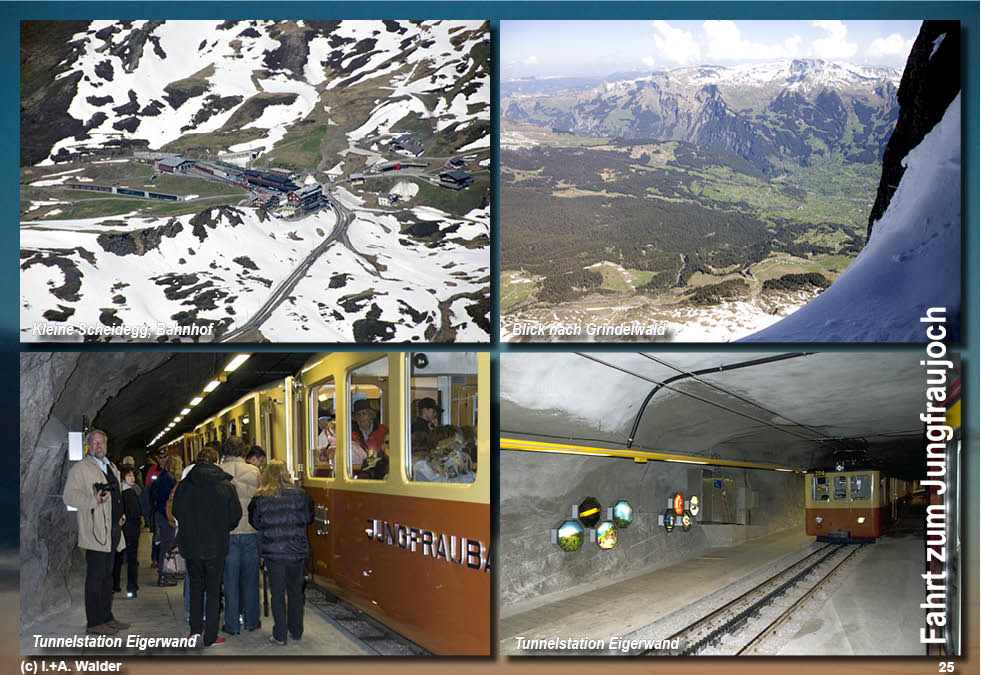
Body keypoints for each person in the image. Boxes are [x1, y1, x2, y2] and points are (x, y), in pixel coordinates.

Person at [62, 429, 129, 636]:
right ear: (88, 446)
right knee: (95, 578)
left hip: (113, 529)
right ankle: (94, 622)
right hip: (96, 532)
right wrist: (93, 500)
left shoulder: (111, 466)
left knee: (108, 577)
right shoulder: (80, 469)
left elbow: (117, 495)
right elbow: (69, 497)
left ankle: (107, 617)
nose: (98, 446)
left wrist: (121, 515)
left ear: (106, 445)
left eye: (101, 442)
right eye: (94, 443)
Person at [172, 446, 241, 647]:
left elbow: (176, 511)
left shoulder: (184, 485)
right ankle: (211, 636)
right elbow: (235, 516)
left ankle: (194, 631)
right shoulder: (226, 486)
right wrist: (222, 528)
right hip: (216, 545)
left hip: (191, 545)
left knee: (195, 588)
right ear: (217, 461)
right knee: (213, 591)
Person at [248, 460, 313, 645]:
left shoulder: (260, 497)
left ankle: (280, 635)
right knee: (295, 592)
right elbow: (308, 518)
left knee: (277, 593)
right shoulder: (301, 494)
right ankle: (296, 631)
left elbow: (255, 522)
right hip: (296, 551)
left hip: (273, 552)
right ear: (286, 473)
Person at [220, 436, 262, 635]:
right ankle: (252, 621)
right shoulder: (254, 471)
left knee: (230, 580)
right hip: (251, 532)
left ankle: (232, 624)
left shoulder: (219, 472)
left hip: (227, 533)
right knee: (251, 579)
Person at [112, 467, 142, 598]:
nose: (132, 478)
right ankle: (131, 587)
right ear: (123, 478)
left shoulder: (117, 492)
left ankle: (115, 585)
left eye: (133, 475)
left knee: (117, 558)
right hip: (131, 530)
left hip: (120, 529)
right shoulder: (130, 492)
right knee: (132, 559)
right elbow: (135, 513)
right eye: (129, 476)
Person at [154, 455, 182, 586]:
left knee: (166, 545)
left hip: (162, 515)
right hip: (167, 517)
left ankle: (165, 573)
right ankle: (163, 575)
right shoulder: (169, 480)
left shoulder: (163, 477)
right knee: (166, 546)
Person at [351, 399, 387, 470]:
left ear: (370, 415)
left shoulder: (382, 431)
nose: (361, 417)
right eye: (358, 414)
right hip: (358, 470)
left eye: (364, 413)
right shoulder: (350, 433)